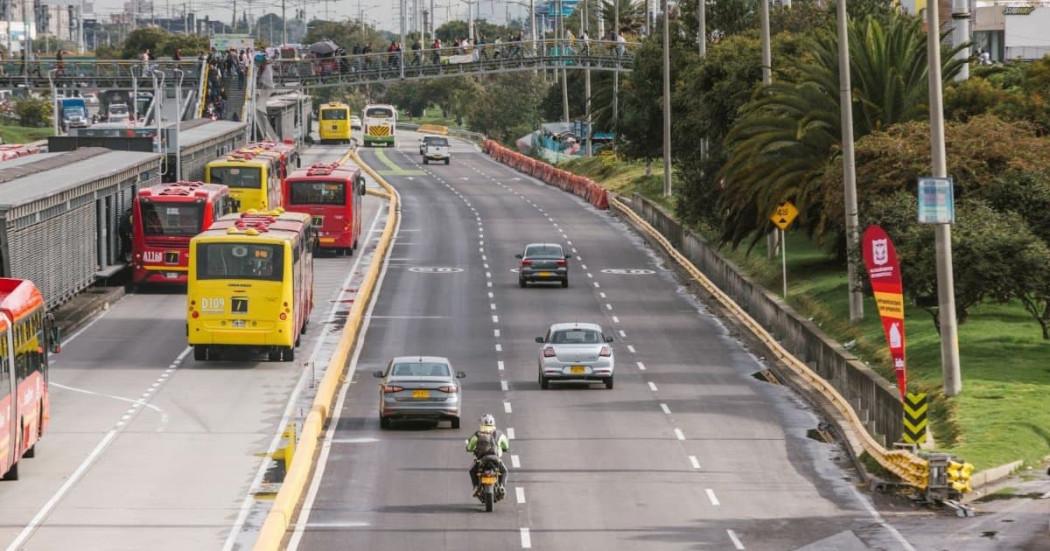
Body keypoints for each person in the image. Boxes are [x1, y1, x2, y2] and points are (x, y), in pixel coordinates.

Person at [465, 413, 510, 497]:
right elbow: (506, 445)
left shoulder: (477, 435)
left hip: (481, 461)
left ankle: (475, 487)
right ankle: (502, 486)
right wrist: (504, 449)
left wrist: (470, 449)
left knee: (472, 470)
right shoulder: (499, 434)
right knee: (504, 471)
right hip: (496, 460)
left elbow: (470, 447)